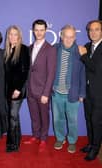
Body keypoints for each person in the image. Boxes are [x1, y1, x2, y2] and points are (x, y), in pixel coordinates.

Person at [52, 25, 86, 153]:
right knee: (57, 119)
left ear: (75, 37)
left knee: (72, 120)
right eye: (66, 36)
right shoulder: (54, 49)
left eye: (71, 37)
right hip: (56, 93)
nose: (68, 39)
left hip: (73, 93)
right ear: (61, 36)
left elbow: (83, 73)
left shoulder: (80, 51)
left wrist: (82, 93)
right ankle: (60, 138)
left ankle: (72, 141)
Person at [25, 19, 56, 152]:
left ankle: (43, 139)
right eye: (36, 30)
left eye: (41, 30)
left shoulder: (50, 49)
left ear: (45, 31)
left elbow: (51, 73)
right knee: (34, 115)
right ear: (33, 31)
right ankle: (36, 135)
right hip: (30, 89)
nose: (39, 32)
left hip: (43, 90)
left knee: (44, 116)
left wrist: (46, 93)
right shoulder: (29, 47)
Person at [79, 20, 102, 161]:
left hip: (100, 94)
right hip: (87, 92)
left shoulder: (86, 51)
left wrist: (83, 56)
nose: (93, 32)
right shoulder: (87, 46)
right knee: (88, 119)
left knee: (96, 121)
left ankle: (96, 148)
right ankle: (90, 143)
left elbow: (97, 69)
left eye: (97, 29)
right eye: (90, 30)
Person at [5, 25, 30, 152]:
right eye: (10, 34)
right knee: (14, 116)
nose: (12, 36)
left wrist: (18, 89)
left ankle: (13, 144)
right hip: (8, 89)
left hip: (17, 90)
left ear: (19, 36)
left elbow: (25, 71)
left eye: (15, 34)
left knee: (13, 116)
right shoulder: (8, 50)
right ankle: (17, 138)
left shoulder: (24, 49)